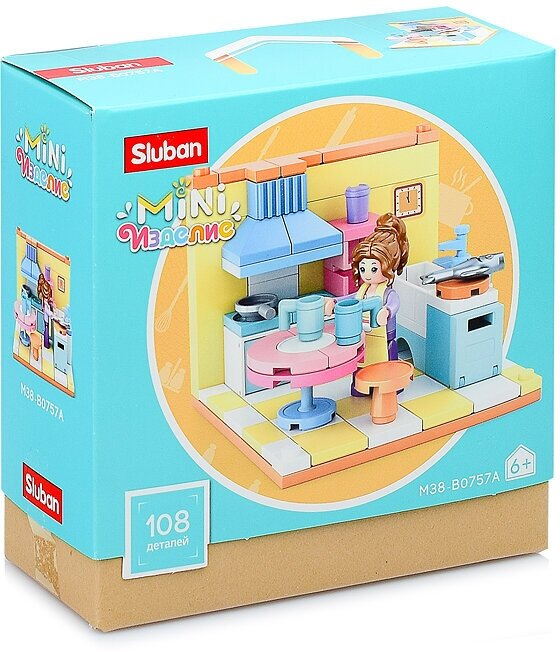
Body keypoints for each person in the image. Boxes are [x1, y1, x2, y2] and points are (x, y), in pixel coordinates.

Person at [325, 212, 409, 396]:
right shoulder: (363, 290)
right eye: (363, 269)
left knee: (386, 362)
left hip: (384, 337)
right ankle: (360, 387)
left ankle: (390, 386)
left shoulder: (387, 292)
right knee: (361, 361)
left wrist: (387, 311)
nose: (367, 274)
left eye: (373, 269)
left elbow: (394, 303)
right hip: (363, 335)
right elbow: (352, 299)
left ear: (388, 267)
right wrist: (334, 302)